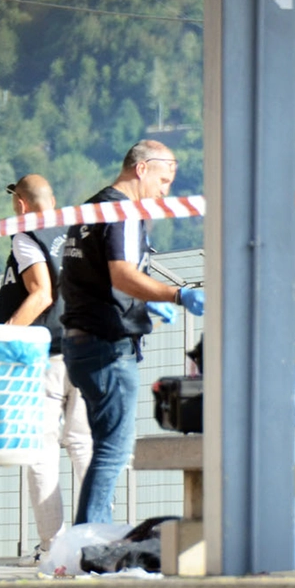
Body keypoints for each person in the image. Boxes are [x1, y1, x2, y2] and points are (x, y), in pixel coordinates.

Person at [60, 141, 204, 527]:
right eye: (164, 179)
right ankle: (91, 542)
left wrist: (141, 303)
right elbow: (122, 274)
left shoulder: (92, 208)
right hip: (107, 345)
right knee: (113, 450)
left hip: (80, 340)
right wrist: (176, 294)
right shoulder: (124, 211)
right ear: (141, 170)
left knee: (103, 447)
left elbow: (85, 276)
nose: (166, 190)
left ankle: (91, 535)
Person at [0, 174, 93, 557]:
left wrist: (4, 337)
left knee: (42, 451)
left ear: (20, 205)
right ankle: (94, 535)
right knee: (84, 445)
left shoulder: (26, 236)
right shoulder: (77, 230)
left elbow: (40, 294)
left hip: (45, 355)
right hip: (84, 348)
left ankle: (53, 545)